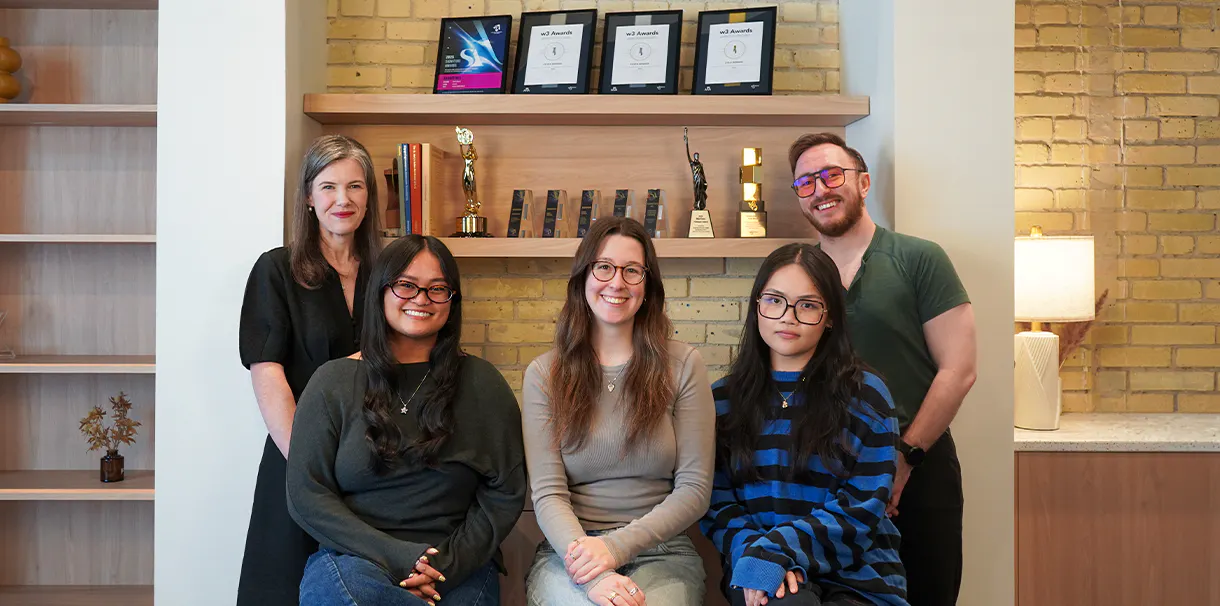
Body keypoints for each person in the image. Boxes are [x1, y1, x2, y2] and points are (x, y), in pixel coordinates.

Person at [787, 133, 977, 606]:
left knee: (928, 591)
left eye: (833, 175)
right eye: (806, 182)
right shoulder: (794, 274)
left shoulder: (918, 259)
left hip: (920, 463)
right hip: (824, 472)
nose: (821, 189)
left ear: (864, 182)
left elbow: (959, 369)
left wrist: (903, 459)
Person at [288, 235, 526, 606]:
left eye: (437, 289)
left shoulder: (483, 383)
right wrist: (398, 557)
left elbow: (505, 491)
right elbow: (306, 494)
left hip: (453, 567)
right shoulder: (331, 382)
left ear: (453, 300)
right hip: (354, 560)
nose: (421, 298)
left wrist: (443, 564)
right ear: (381, 291)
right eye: (406, 285)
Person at [521, 216, 716, 606]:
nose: (617, 282)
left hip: (663, 552)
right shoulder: (544, 374)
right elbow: (548, 494)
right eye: (604, 267)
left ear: (648, 285)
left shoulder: (683, 364)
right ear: (583, 278)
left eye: (632, 270)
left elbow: (694, 491)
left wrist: (615, 549)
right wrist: (592, 570)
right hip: (570, 553)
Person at [702, 243, 907, 606]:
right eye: (774, 300)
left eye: (807, 305)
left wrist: (780, 551)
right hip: (758, 571)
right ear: (757, 308)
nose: (788, 317)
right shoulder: (721, 402)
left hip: (858, 576)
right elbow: (716, 503)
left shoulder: (868, 397)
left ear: (830, 318)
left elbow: (862, 508)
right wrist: (761, 557)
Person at [237, 133, 383, 606]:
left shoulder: (390, 271)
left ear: (369, 197)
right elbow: (268, 372)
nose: (343, 200)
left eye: (356, 187)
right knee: (284, 588)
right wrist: (309, 466)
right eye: (328, 187)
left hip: (378, 461)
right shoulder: (276, 270)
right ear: (307, 196)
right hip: (296, 457)